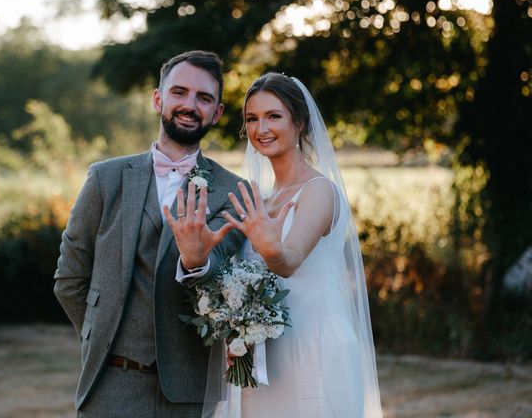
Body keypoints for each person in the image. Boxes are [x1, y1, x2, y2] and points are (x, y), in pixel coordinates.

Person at [53, 50, 248, 417]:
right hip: (111, 386)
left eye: (204, 98)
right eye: (179, 92)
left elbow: (220, 269)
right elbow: (69, 280)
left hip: (189, 393)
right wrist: (103, 339)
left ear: (217, 113)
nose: (190, 105)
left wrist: (196, 260)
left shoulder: (234, 191)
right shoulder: (104, 179)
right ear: (158, 99)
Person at [207, 72, 384, 417]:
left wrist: (269, 245)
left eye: (274, 116)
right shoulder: (264, 200)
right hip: (264, 357)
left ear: (300, 122)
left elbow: (289, 261)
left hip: (313, 349)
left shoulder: (319, 191)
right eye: (252, 119)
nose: (262, 129)